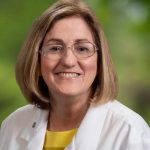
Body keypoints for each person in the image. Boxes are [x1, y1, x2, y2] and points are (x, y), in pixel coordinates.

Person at [0, 0, 150, 149]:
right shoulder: (12, 126)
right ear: (37, 61)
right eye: (55, 48)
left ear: (99, 61)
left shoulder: (130, 132)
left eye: (82, 49)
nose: (68, 61)